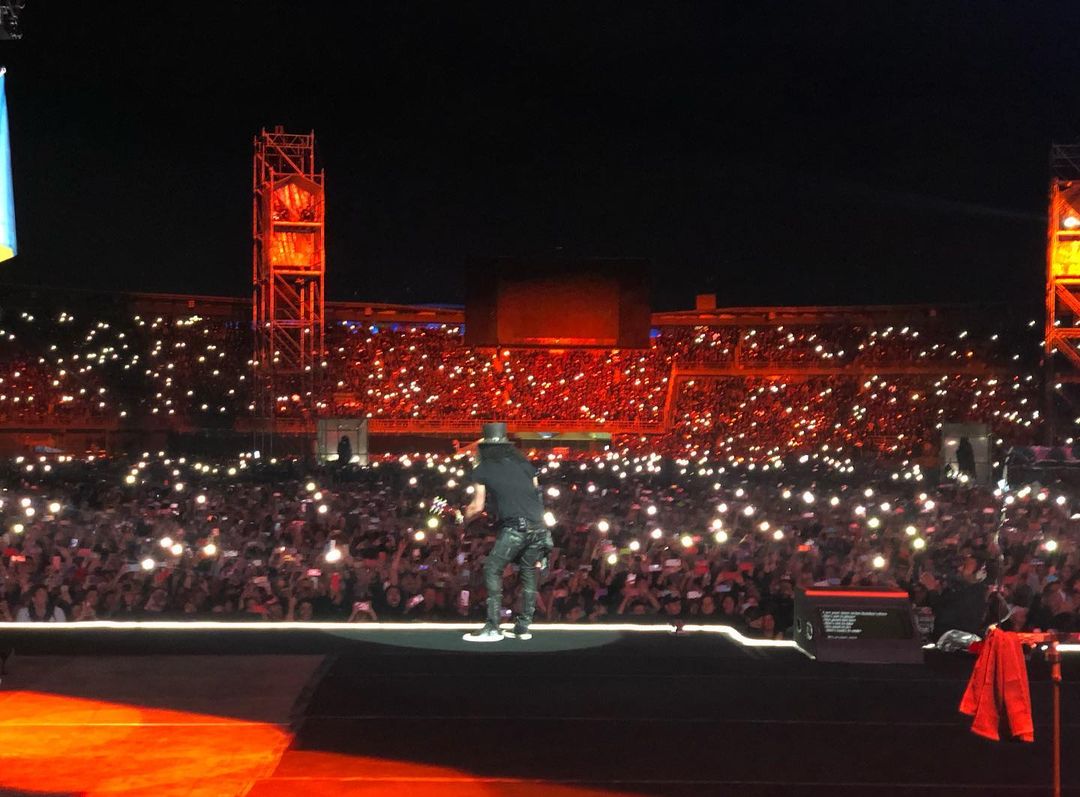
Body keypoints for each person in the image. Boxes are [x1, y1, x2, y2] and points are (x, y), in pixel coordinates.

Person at [461, 422, 551, 642]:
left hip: (516, 527)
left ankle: (493, 626)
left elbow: (477, 506)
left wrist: (463, 517)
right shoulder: (524, 464)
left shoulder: (482, 468)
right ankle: (523, 627)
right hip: (539, 526)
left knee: (493, 568)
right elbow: (536, 494)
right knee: (529, 572)